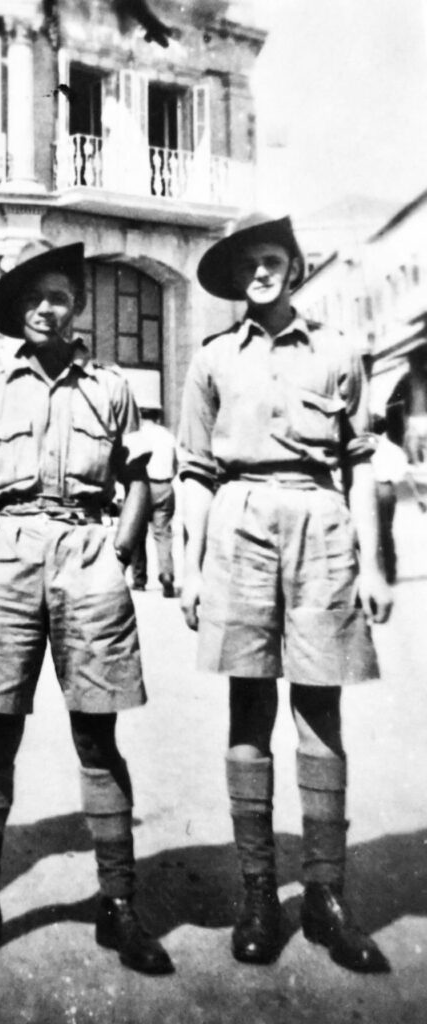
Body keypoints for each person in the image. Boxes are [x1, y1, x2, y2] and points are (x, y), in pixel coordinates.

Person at [0, 240, 173, 976]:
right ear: (16, 311)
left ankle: (119, 904)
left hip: (86, 548)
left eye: (61, 296)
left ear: (77, 307)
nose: (48, 307)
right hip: (6, 553)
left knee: (96, 736)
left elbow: (139, 475)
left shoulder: (111, 385)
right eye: (34, 297)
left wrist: (124, 548)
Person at [178, 213, 393, 973]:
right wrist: (191, 560)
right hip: (238, 523)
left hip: (320, 523)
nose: (261, 272)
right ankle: (260, 893)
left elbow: (360, 461)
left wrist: (374, 563)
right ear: (235, 277)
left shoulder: (338, 352)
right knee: (248, 704)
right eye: (248, 264)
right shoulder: (210, 360)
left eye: (273, 259)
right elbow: (197, 469)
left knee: (320, 704)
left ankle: (328, 896)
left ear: (294, 267)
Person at [129, 405, 178, 596]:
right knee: (163, 534)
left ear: (141, 415)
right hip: (164, 486)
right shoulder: (167, 436)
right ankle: (166, 574)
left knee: (138, 534)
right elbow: (175, 464)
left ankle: (139, 579)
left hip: (141, 487)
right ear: (157, 417)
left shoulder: (136, 435)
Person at [371, 414, 412, 584]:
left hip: (373, 488)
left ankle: (377, 572)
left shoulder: (368, 446)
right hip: (388, 489)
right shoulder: (394, 449)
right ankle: (390, 571)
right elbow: (406, 473)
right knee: (386, 532)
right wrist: (418, 498)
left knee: (371, 531)